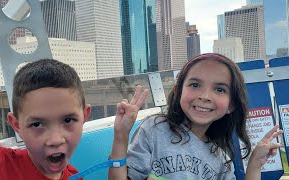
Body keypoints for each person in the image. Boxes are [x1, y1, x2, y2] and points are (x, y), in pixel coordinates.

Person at [109, 53, 283, 180]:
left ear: (231, 105)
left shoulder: (221, 160)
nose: (205, 96)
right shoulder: (154, 129)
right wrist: (121, 137)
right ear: (178, 92)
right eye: (194, 84)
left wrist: (255, 164)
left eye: (220, 89)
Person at [0, 59, 149, 180]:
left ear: (84, 117)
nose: (55, 139)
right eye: (37, 124)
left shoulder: (75, 176)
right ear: (16, 125)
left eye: (68, 120)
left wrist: (121, 135)